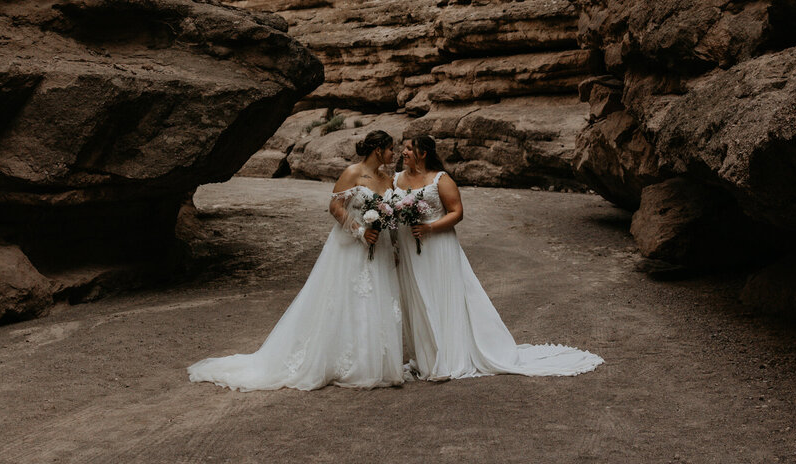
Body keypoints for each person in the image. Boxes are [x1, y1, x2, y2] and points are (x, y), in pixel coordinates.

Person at [188, 130, 404, 390]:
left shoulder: (388, 179)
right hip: (351, 246)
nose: (395, 153)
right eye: (391, 148)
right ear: (378, 150)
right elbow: (335, 207)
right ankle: (339, 360)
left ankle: (372, 360)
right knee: (345, 298)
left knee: (374, 299)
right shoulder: (353, 173)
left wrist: (391, 244)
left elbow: (391, 214)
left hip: (377, 247)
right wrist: (359, 231)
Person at [393, 135, 603, 380]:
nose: (404, 152)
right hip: (410, 248)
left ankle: (447, 357)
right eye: (403, 148)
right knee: (417, 297)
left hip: (437, 245)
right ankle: (425, 356)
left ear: (423, 153)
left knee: (440, 296)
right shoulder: (396, 179)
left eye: (409, 148)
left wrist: (429, 228)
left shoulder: (441, 179)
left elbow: (457, 213)